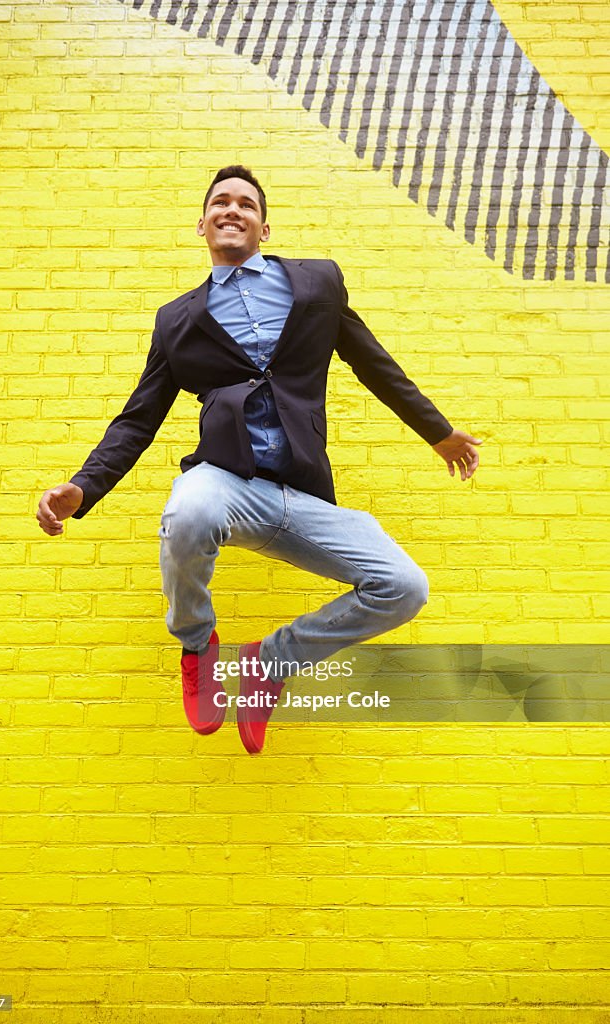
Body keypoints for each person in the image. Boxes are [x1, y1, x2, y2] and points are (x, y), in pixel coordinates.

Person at [37, 165, 481, 755]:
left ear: (264, 228)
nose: (232, 209)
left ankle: (268, 665)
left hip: (300, 494)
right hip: (228, 483)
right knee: (189, 509)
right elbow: (138, 418)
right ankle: (198, 648)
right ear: (202, 225)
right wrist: (82, 488)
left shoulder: (317, 283)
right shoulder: (177, 320)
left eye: (246, 204)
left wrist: (437, 431)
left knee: (403, 586)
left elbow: (374, 361)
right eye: (220, 201)